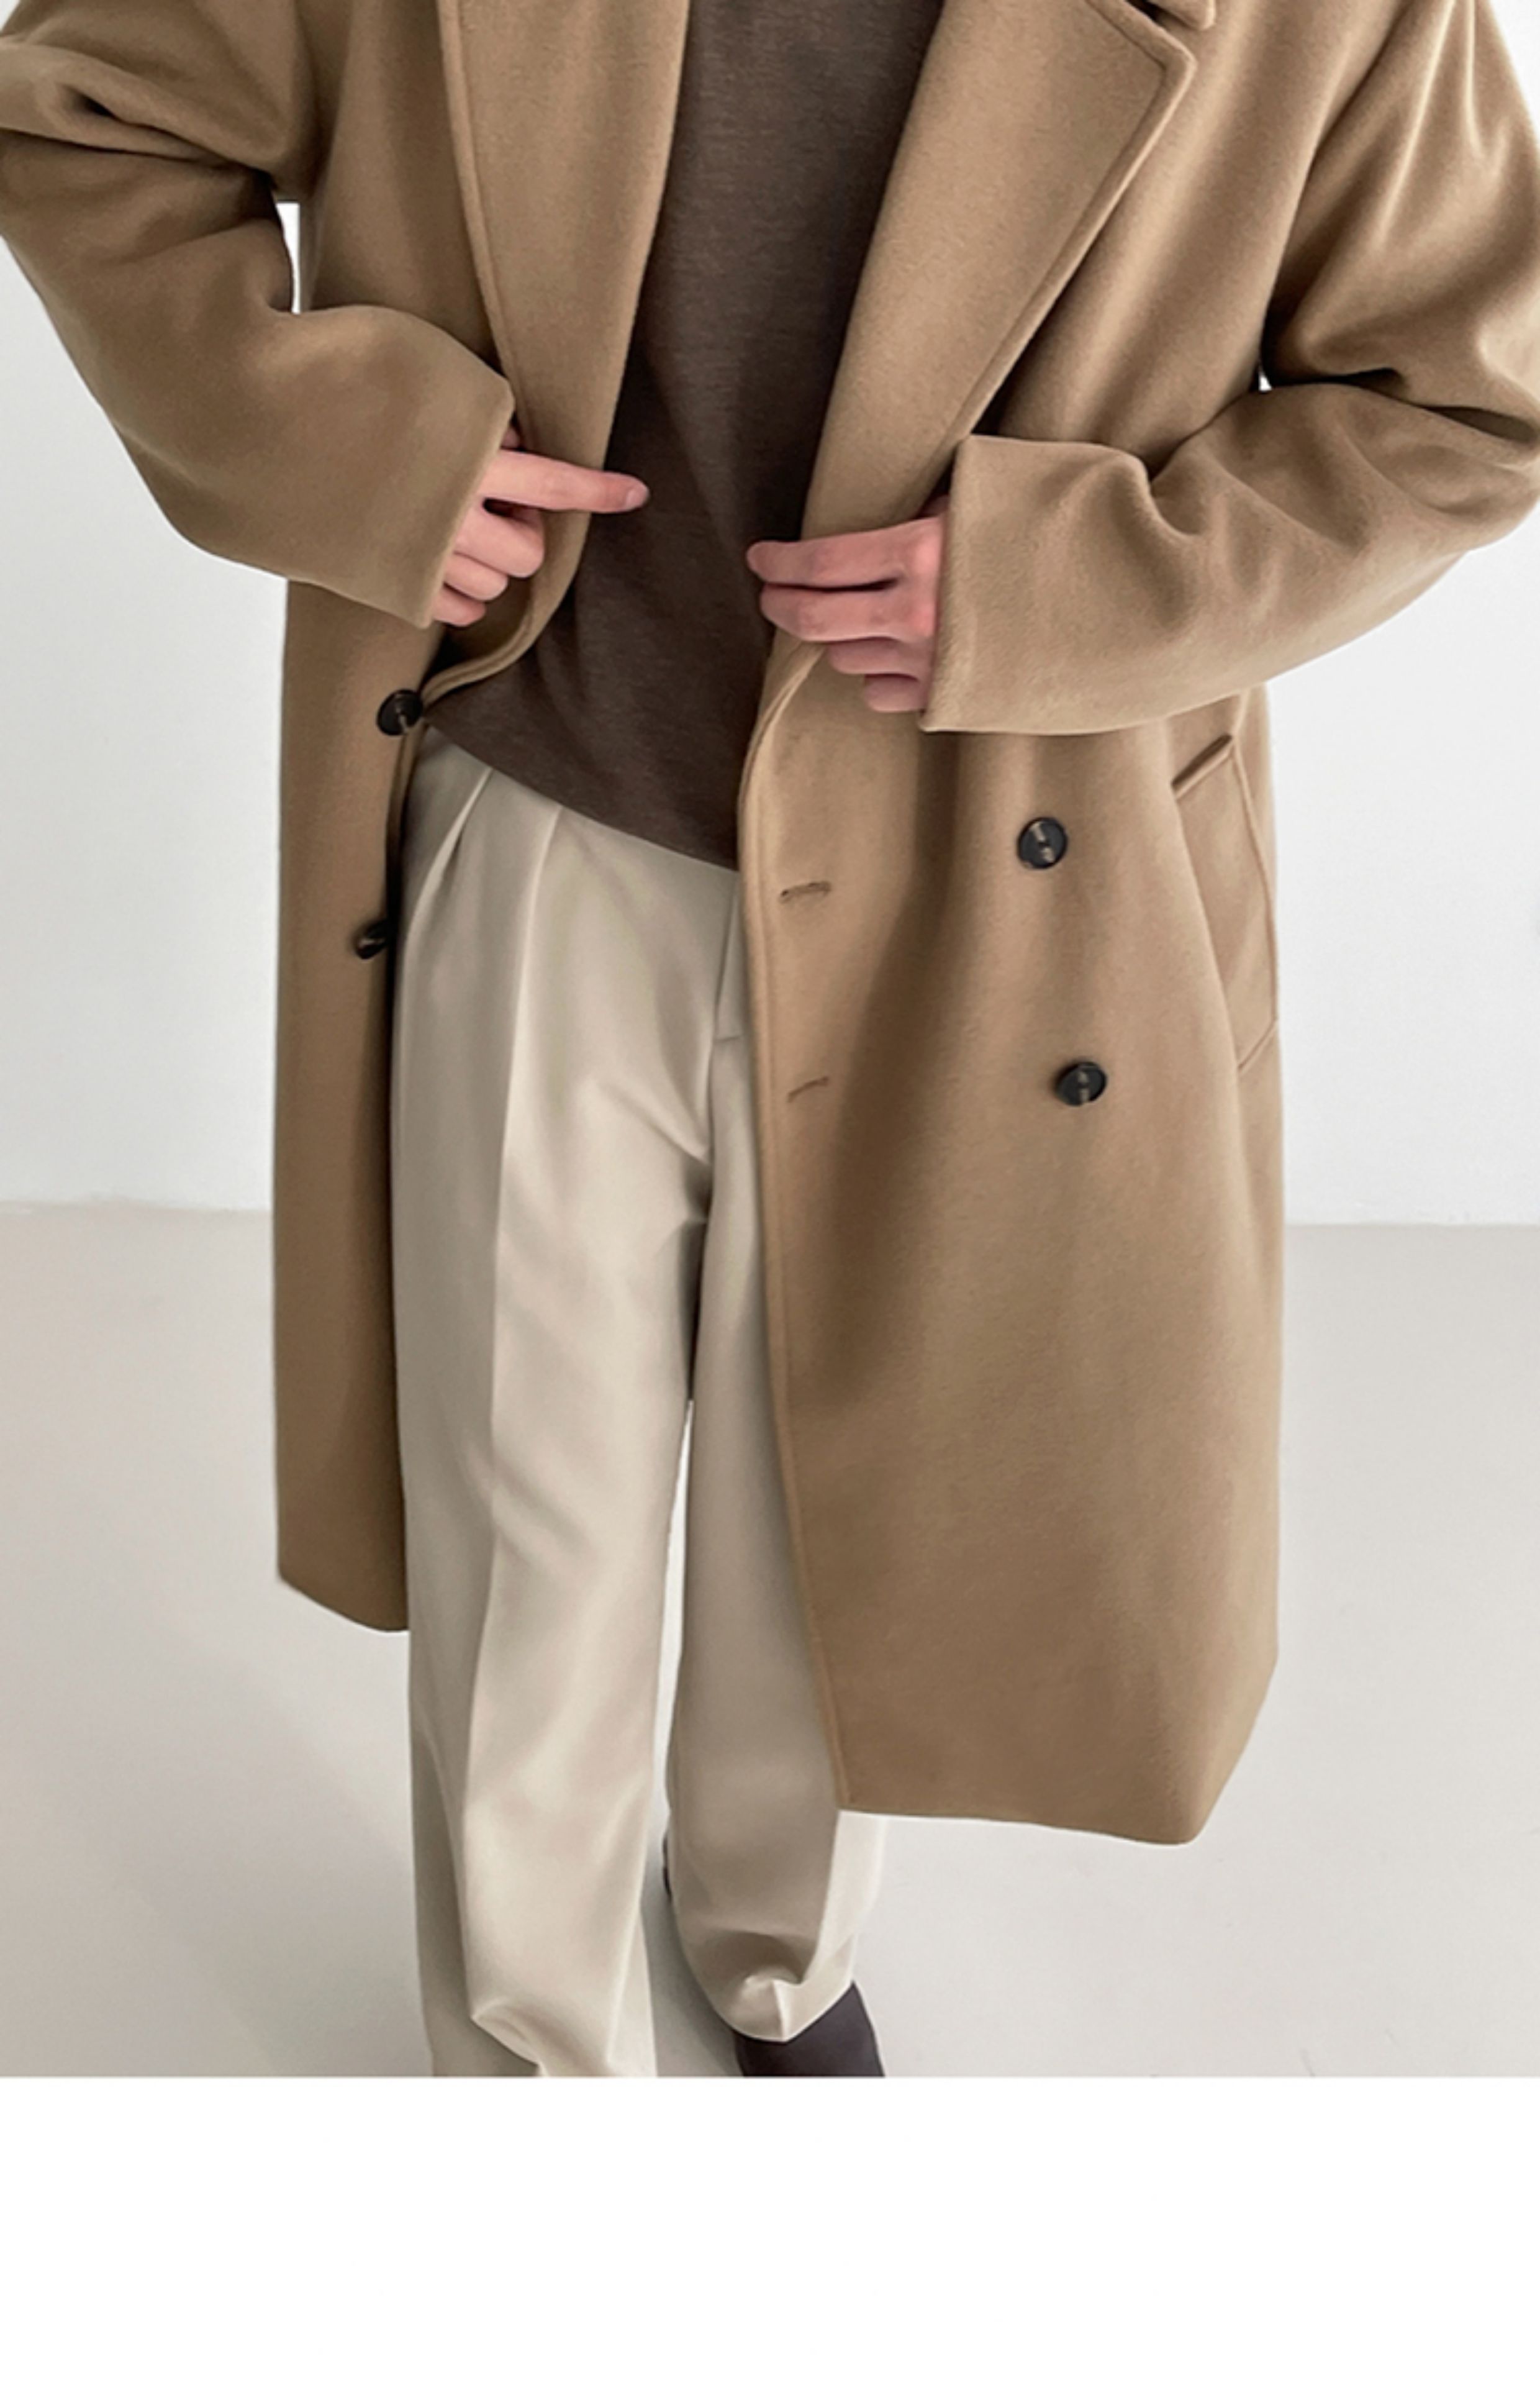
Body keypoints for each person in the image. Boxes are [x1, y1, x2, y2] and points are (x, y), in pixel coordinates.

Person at [4, 0, 1539, 2081]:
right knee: (525, 1534)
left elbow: (1463, 388)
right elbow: (85, 114)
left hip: (991, 861)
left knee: (841, 1494)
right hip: (551, 794)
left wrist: (1086, 579)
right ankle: (533, 2055)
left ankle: (773, 1953)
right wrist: (334, 443)